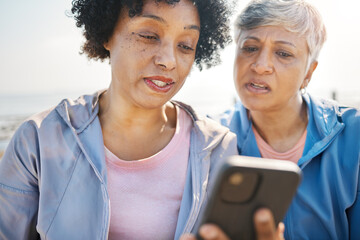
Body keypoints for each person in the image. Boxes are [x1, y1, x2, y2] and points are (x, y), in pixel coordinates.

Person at [0, 0, 284, 239]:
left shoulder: (217, 149)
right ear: (107, 34)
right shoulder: (37, 140)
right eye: (149, 36)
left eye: (186, 45)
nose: (169, 60)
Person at [218, 0, 360, 239]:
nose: (261, 65)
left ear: (308, 73)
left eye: (283, 53)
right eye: (250, 47)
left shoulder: (353, 135)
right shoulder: (209, 139)